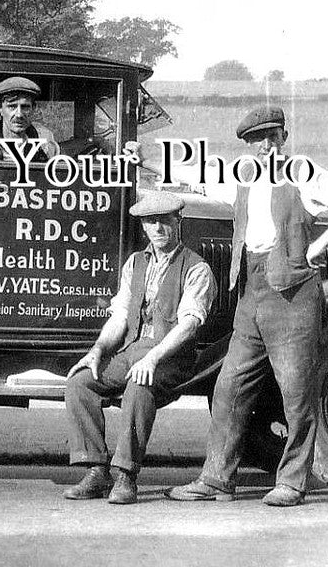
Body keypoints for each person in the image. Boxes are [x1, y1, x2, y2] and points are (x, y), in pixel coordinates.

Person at [148, 105, 328, 506]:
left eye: (273, 136)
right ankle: (216, 480)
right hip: (250, 294)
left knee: (296, 392)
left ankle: (291, 483)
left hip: (292, 295)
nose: (265, 145)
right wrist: (145, 156)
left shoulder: (302, 172)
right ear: (247, 147)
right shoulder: (242, 178)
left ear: (283, 139)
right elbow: (199, 181)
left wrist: (320, 245)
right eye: (257, 140)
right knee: (229, 388)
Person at [63, 191, 216, 504]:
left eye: (164, 220)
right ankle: (96, 471)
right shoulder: (136, 263)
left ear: (179, 221)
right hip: (132, 349)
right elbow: (120, 315)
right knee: (79, 382)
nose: (157, 227)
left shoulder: (197, 268)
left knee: (139, 384)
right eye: (150, 221)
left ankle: (126, 475)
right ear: (144, 226)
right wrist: (98, 349)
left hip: (170, 356)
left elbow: (189, 325)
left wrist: (154, 357)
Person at [0, 76, 60, 161]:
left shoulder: (44, 140)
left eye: (25, 107)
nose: (19, 114)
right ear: (0, 110)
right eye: (12, 107)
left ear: (33, 109)